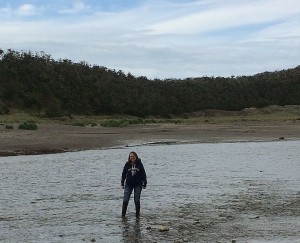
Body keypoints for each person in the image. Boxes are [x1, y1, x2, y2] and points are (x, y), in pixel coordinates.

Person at [121, 151, 147, 218]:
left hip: (138, 184)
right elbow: (123, 174)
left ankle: (137, 215)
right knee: (125, 199)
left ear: (136, 156)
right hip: (128, 184)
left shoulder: (140, 164)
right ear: (129, 157)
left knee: (136, 199)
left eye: (133, 156)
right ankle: (123, 215)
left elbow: (143, 174)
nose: (132, 157)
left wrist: (145, 183)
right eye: (131, 156)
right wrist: (122, 183)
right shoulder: (127, 164)